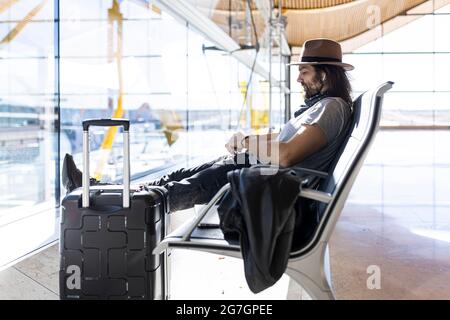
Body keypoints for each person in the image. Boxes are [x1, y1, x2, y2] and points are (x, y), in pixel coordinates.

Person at [62, 38, 354, 212]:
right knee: (175, 176)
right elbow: (284, 137)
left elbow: (288, 154)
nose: (299, 78)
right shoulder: (320, 107)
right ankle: (98, 189)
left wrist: (246, 144)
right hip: (253, 168)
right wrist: (248, 139)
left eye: (304, 71)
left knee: (178, 188)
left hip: (263, 181)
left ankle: (106, 201)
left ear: (325, 75)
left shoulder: (331, 108)